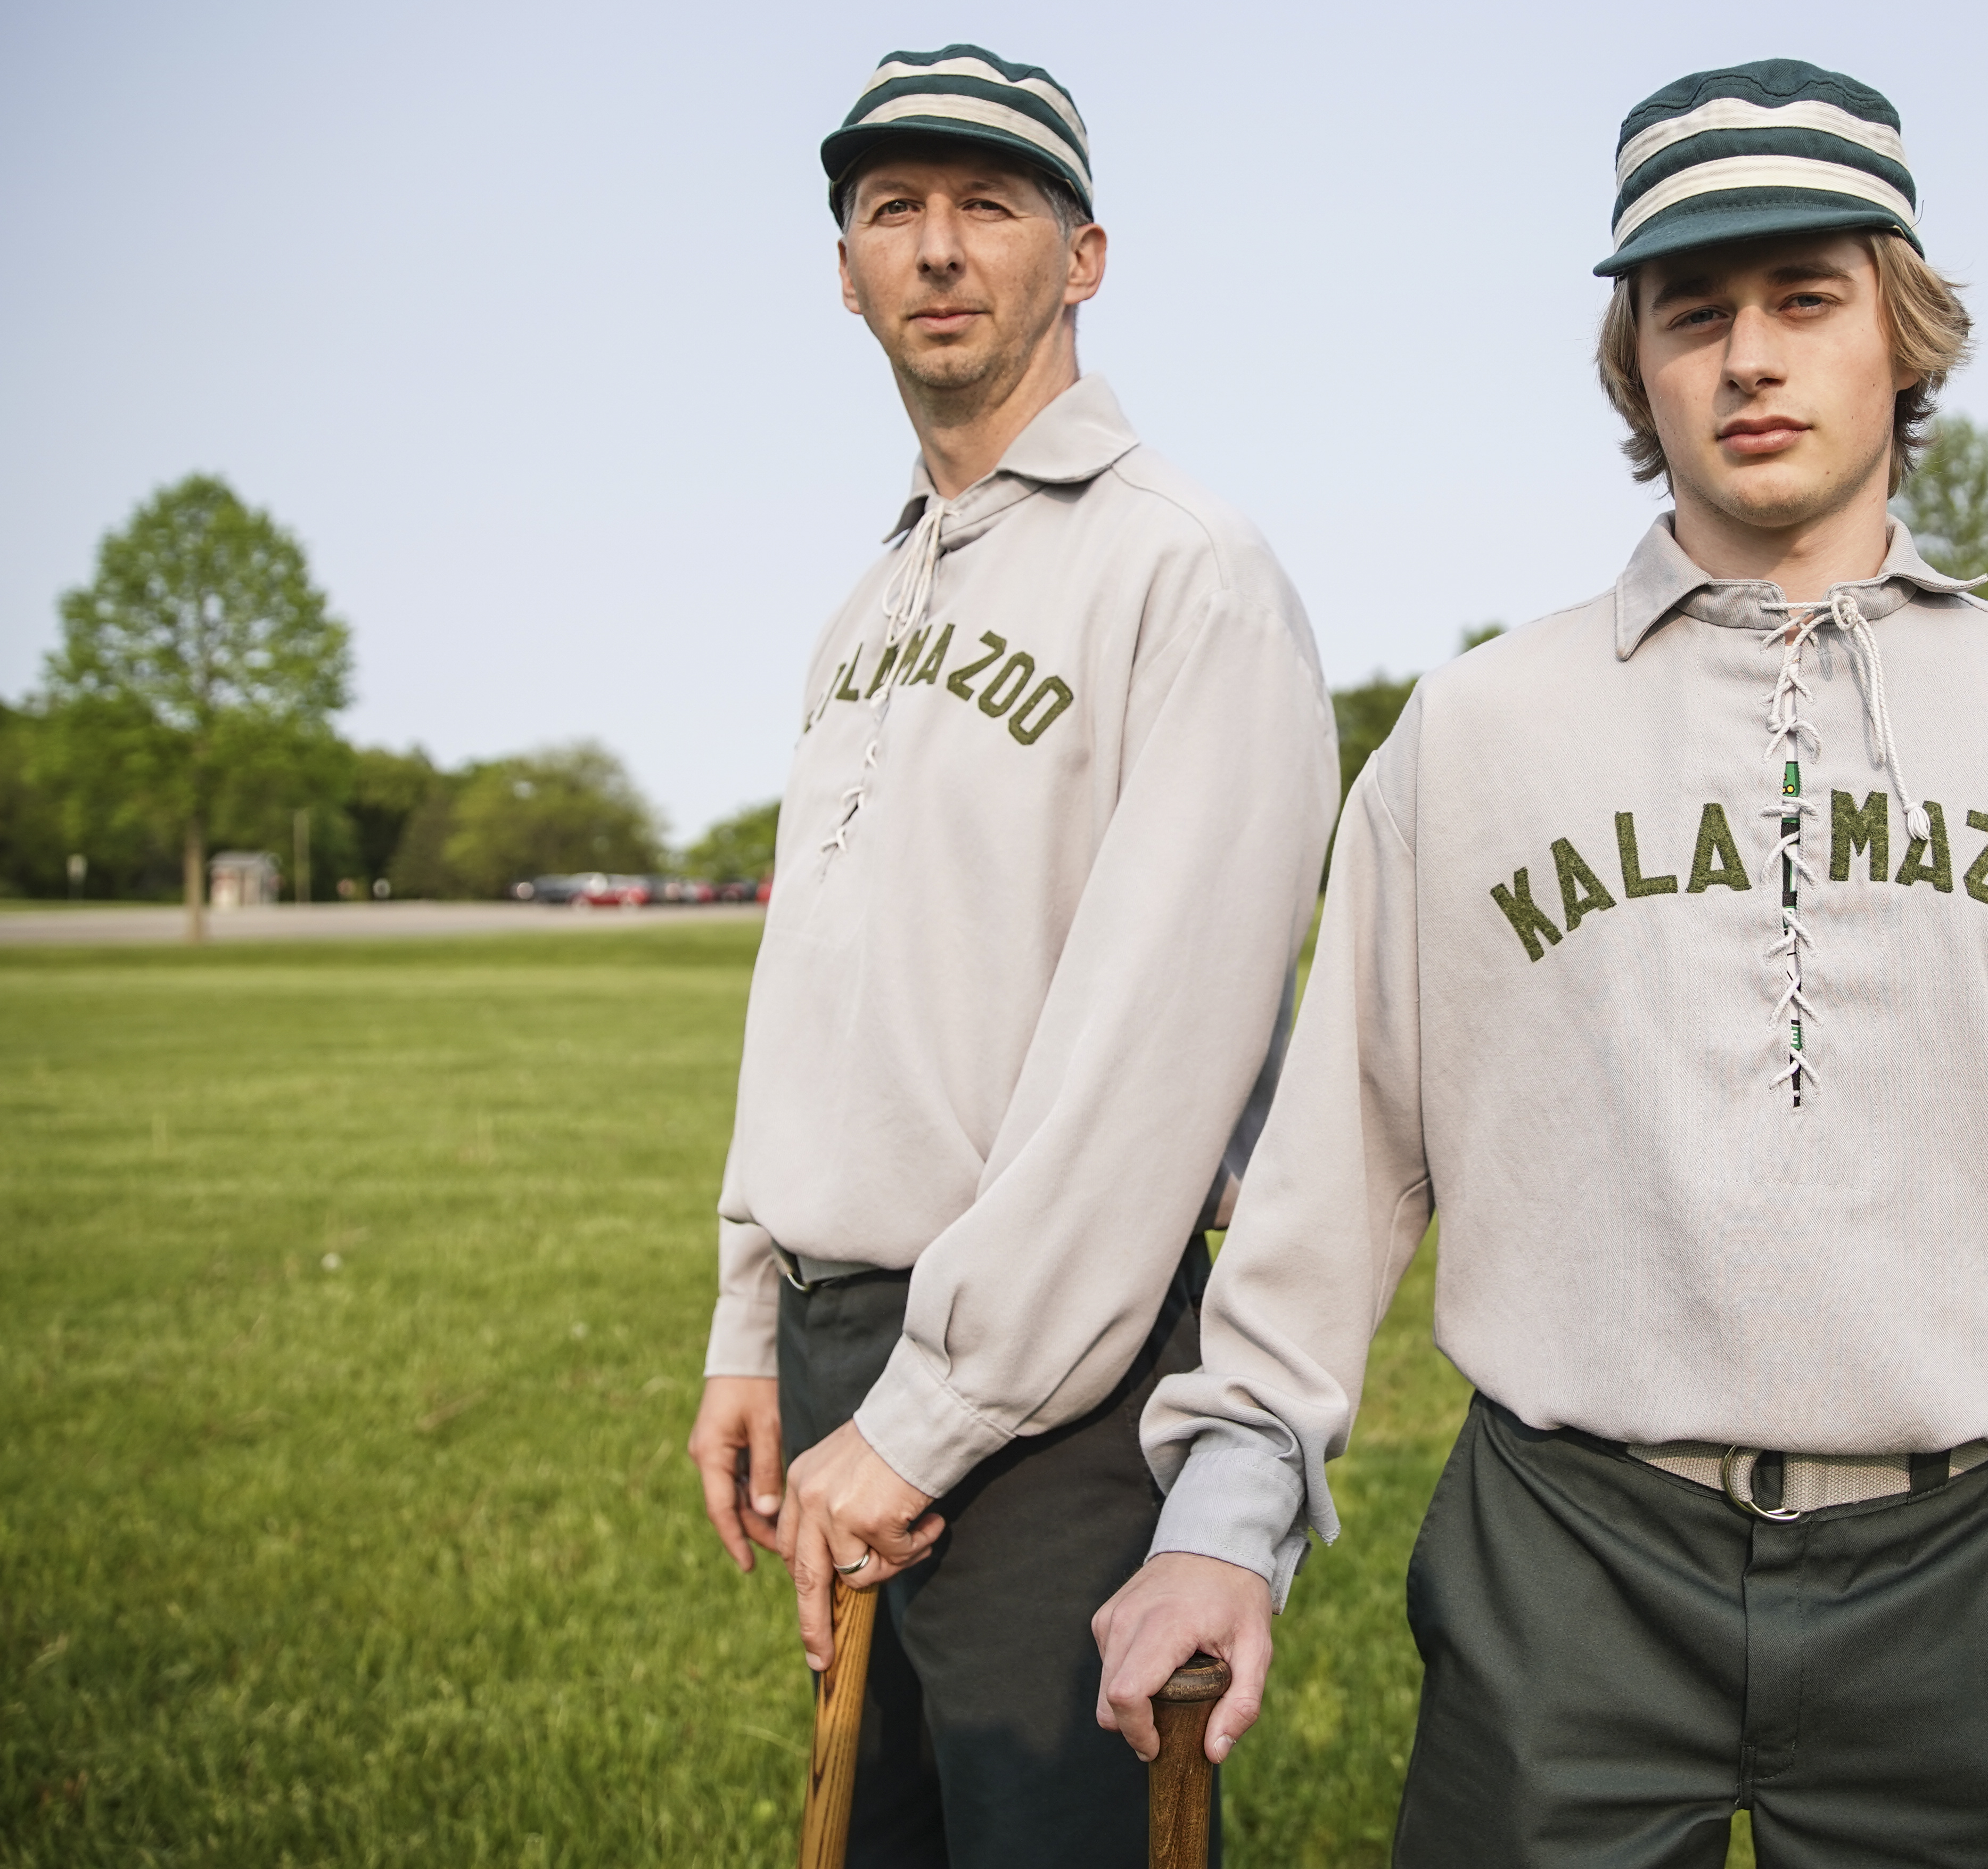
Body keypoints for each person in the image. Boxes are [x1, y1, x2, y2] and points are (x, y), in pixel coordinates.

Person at [1092, 58, 1988, 1867]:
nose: (1749, 358)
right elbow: (1333, 1170)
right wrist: (1220, 1517)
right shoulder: (1477, 729)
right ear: (1632, 365)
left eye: (1806, 300)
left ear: (1900, 332)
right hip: (1567, 1561)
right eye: (1691, 311)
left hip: (1963, 1580)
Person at [684, 44, 1337, 1866]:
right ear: (844, 270)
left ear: (1086, 256)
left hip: (1057, 1389)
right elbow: (813, 989)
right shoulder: (864, 608)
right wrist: (757, 1314)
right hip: (841, 1360)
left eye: (991, 205)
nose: (940, 248)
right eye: (894, 209)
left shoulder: (1186, 571)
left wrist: (936, 1407)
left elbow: (1156, 1058)